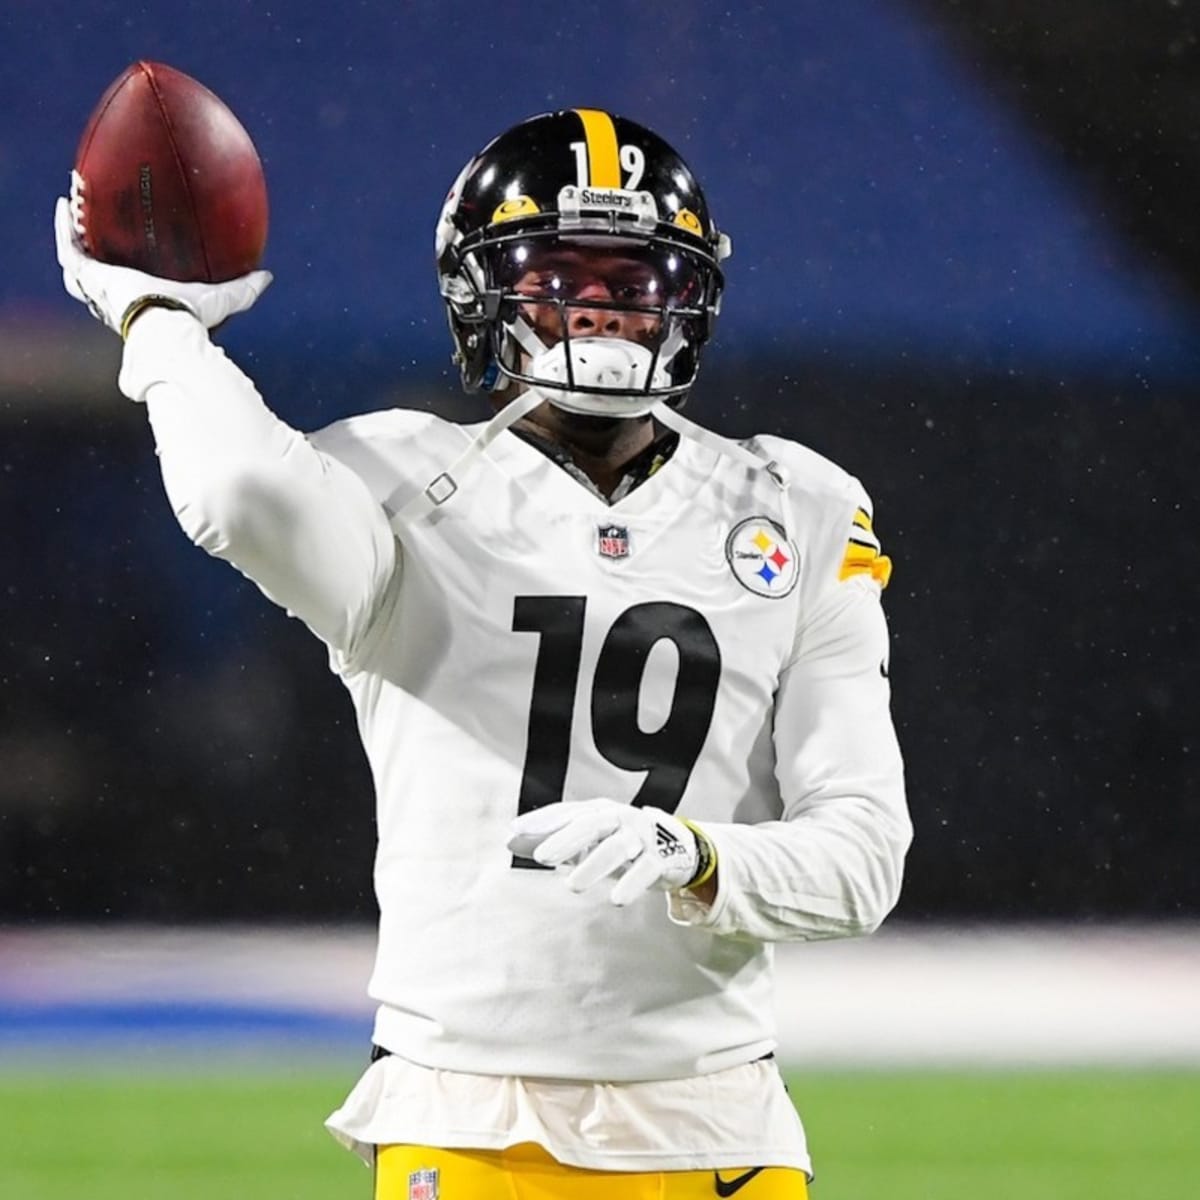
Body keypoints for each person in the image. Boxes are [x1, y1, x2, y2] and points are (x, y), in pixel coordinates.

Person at [55, 107, 911, 1199]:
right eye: (563, 275)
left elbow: (863, 860)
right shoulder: (402, 478)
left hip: (721, 1117)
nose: (602, 305)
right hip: (470, 1110)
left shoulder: (800, 504)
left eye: (633, 280)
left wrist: (695, 855)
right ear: (480, 287)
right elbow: (235, 489)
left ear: (687, 299)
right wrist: (159, 317)